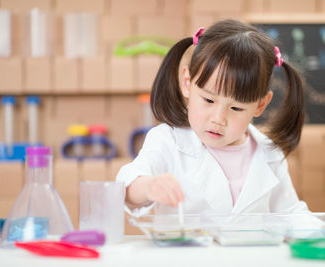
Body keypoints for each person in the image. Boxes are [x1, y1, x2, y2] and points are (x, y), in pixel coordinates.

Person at [116, 19, 308, 216]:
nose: (219, 119)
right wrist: (149, 186)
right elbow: (127, 185)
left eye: (236, 108)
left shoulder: (269, 153)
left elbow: (291, 214)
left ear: (260, 105)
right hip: (185, 247)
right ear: (187, 83)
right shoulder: (167, 141)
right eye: (208, 100)